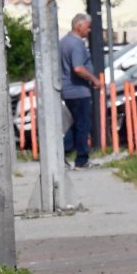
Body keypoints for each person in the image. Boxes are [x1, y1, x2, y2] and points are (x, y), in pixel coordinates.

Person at [59, 13, 101, 169]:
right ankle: (81, 159)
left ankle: (61, 154)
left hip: (67, 90)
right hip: (78, 90)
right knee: (82, 125)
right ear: (79, 26)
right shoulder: (76, 44)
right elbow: (78, 68)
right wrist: (94, 79)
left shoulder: (63, 42)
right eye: (88, 27)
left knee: (73, 125)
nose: (89, 30)